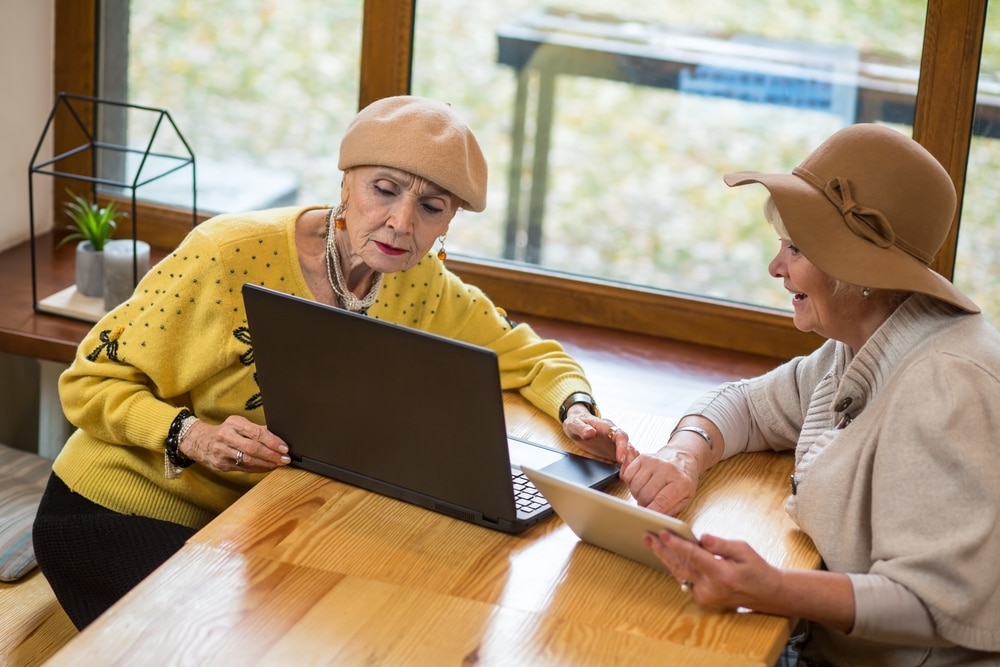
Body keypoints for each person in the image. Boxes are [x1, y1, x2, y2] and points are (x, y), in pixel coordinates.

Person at [33, 95, 616, 631]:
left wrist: (577, 409)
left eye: (431, 207)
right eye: (383, 190)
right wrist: (191, 435)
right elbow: (87, 382)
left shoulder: (422, 283)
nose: (402, 222)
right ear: (346, 182)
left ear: (449, 222)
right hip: (113, 506)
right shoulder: (226, 253)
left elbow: (529, 357)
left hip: (254, 517)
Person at [588, 124, 1000, 665]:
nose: (775, 267)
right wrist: (683, 454)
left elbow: (932, 602)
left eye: (797, 248)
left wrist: (770, 589)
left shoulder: (947, 386)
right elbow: (750, 406)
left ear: (862, 269)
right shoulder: (860, 340)